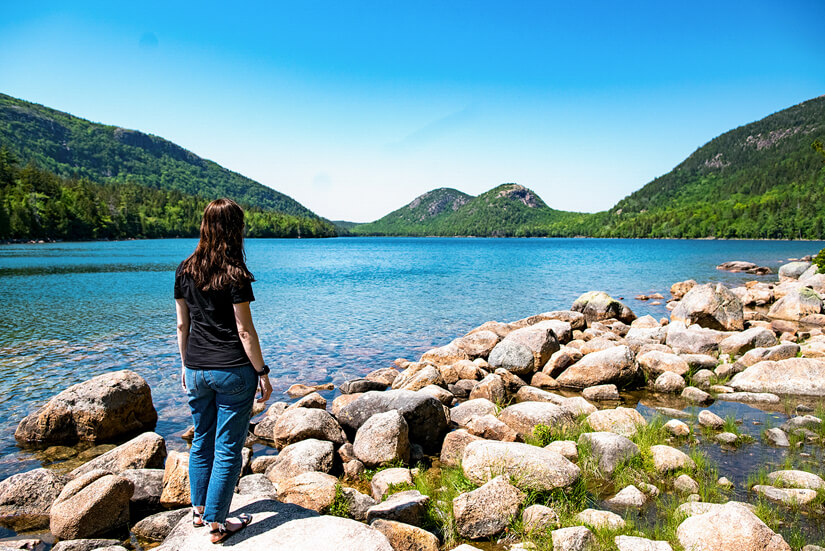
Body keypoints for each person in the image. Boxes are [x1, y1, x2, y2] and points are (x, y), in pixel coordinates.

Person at [174, 198, 272, 544]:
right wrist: (262, 371)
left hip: (197, 370)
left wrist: (186, 365)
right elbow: (244, 331)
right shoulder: (235, 275)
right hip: (232, 372)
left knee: (201, 441)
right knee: (228, 446)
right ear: (235, 230)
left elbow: (182, 325)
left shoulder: (184, 270)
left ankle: (199, 511)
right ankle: (218, 524)